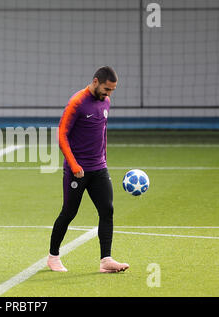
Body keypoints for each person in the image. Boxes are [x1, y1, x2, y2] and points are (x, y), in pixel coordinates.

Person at [47, 66, 129, 273]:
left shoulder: (106, 102)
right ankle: (53, 256)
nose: (109, 94)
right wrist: (74, 165)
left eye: (112, 90)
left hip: (99, 168)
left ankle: (106, 260)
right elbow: (62, 135)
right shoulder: (77, 103)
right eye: (107, 89)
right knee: (69, 212)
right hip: (78, 170)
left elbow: (102, 132)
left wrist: (104, 158)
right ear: (95, 81)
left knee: (107, 210)